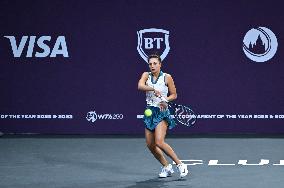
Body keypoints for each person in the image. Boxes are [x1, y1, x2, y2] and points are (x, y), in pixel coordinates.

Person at [138, 54, 188, 178]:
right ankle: (166, 167)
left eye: (155, 63)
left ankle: (180, 164)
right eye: (150, 64)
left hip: (162, 112)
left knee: (159, 142)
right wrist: (153, 89)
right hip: (150, 112)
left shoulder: (167, 77)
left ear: (160, 64)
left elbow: (174, 94)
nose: (152, 66)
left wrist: (165, 100)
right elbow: (140, 86)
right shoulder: (146, 75)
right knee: (150, 145)